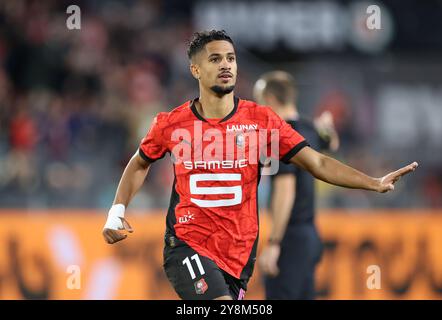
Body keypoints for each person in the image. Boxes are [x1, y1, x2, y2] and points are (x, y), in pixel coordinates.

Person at [102, 30, 418, 300]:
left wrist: (373, 182)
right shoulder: (172, 123)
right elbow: (140, 162)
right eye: (215, 59)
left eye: (231, 58)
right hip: (187, 244)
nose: (226, 64)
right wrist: (117, 212)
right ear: (195, 69)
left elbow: (317, 162)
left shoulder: (261, 120)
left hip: (239, 255)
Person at [253, 71, 339, 299]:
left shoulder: (280, 136)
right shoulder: (309, 128)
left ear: (269, 99)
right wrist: (328, 127)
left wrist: (274, 243)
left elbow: (285, 190)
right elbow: (331, 142)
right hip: (310, 234)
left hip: (290, 238)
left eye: (260, 101)